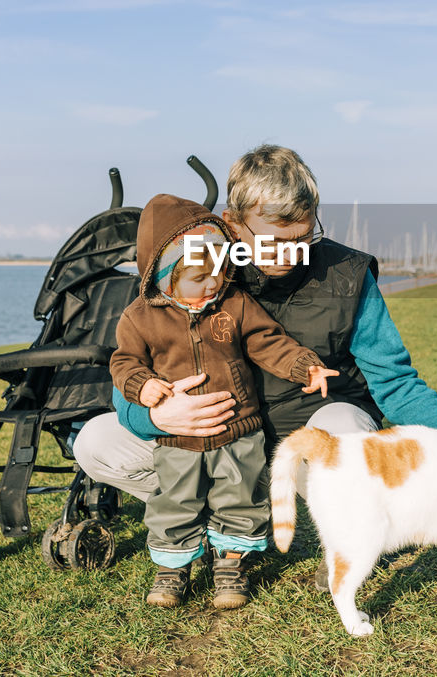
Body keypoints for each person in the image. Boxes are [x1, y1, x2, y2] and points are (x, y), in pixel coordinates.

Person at [73, 144, 437, 588]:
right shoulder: (186, 269)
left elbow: (396, 383)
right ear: (232, 222)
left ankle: (349, 535)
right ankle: (217, 524)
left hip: (306, 440)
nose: (290, 254)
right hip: (213, 445)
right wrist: (155, 414)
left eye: (304, 238)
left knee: (344, 421)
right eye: (273, 241)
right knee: (95, 441)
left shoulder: (348, 275)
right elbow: (127, 374)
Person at [110, 193, 337, 609]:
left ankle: (232, 564)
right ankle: (173, 566)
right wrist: (141, 386)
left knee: (241, 495)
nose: (213, 283)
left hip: (238, 429)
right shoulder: (139, 318)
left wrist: (306, 366)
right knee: (174, 500)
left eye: (219, 272)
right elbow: (123, 362)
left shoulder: (233, 304)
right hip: (178, 440)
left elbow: (267, 341)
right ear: (164, 276)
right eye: (200, 277)